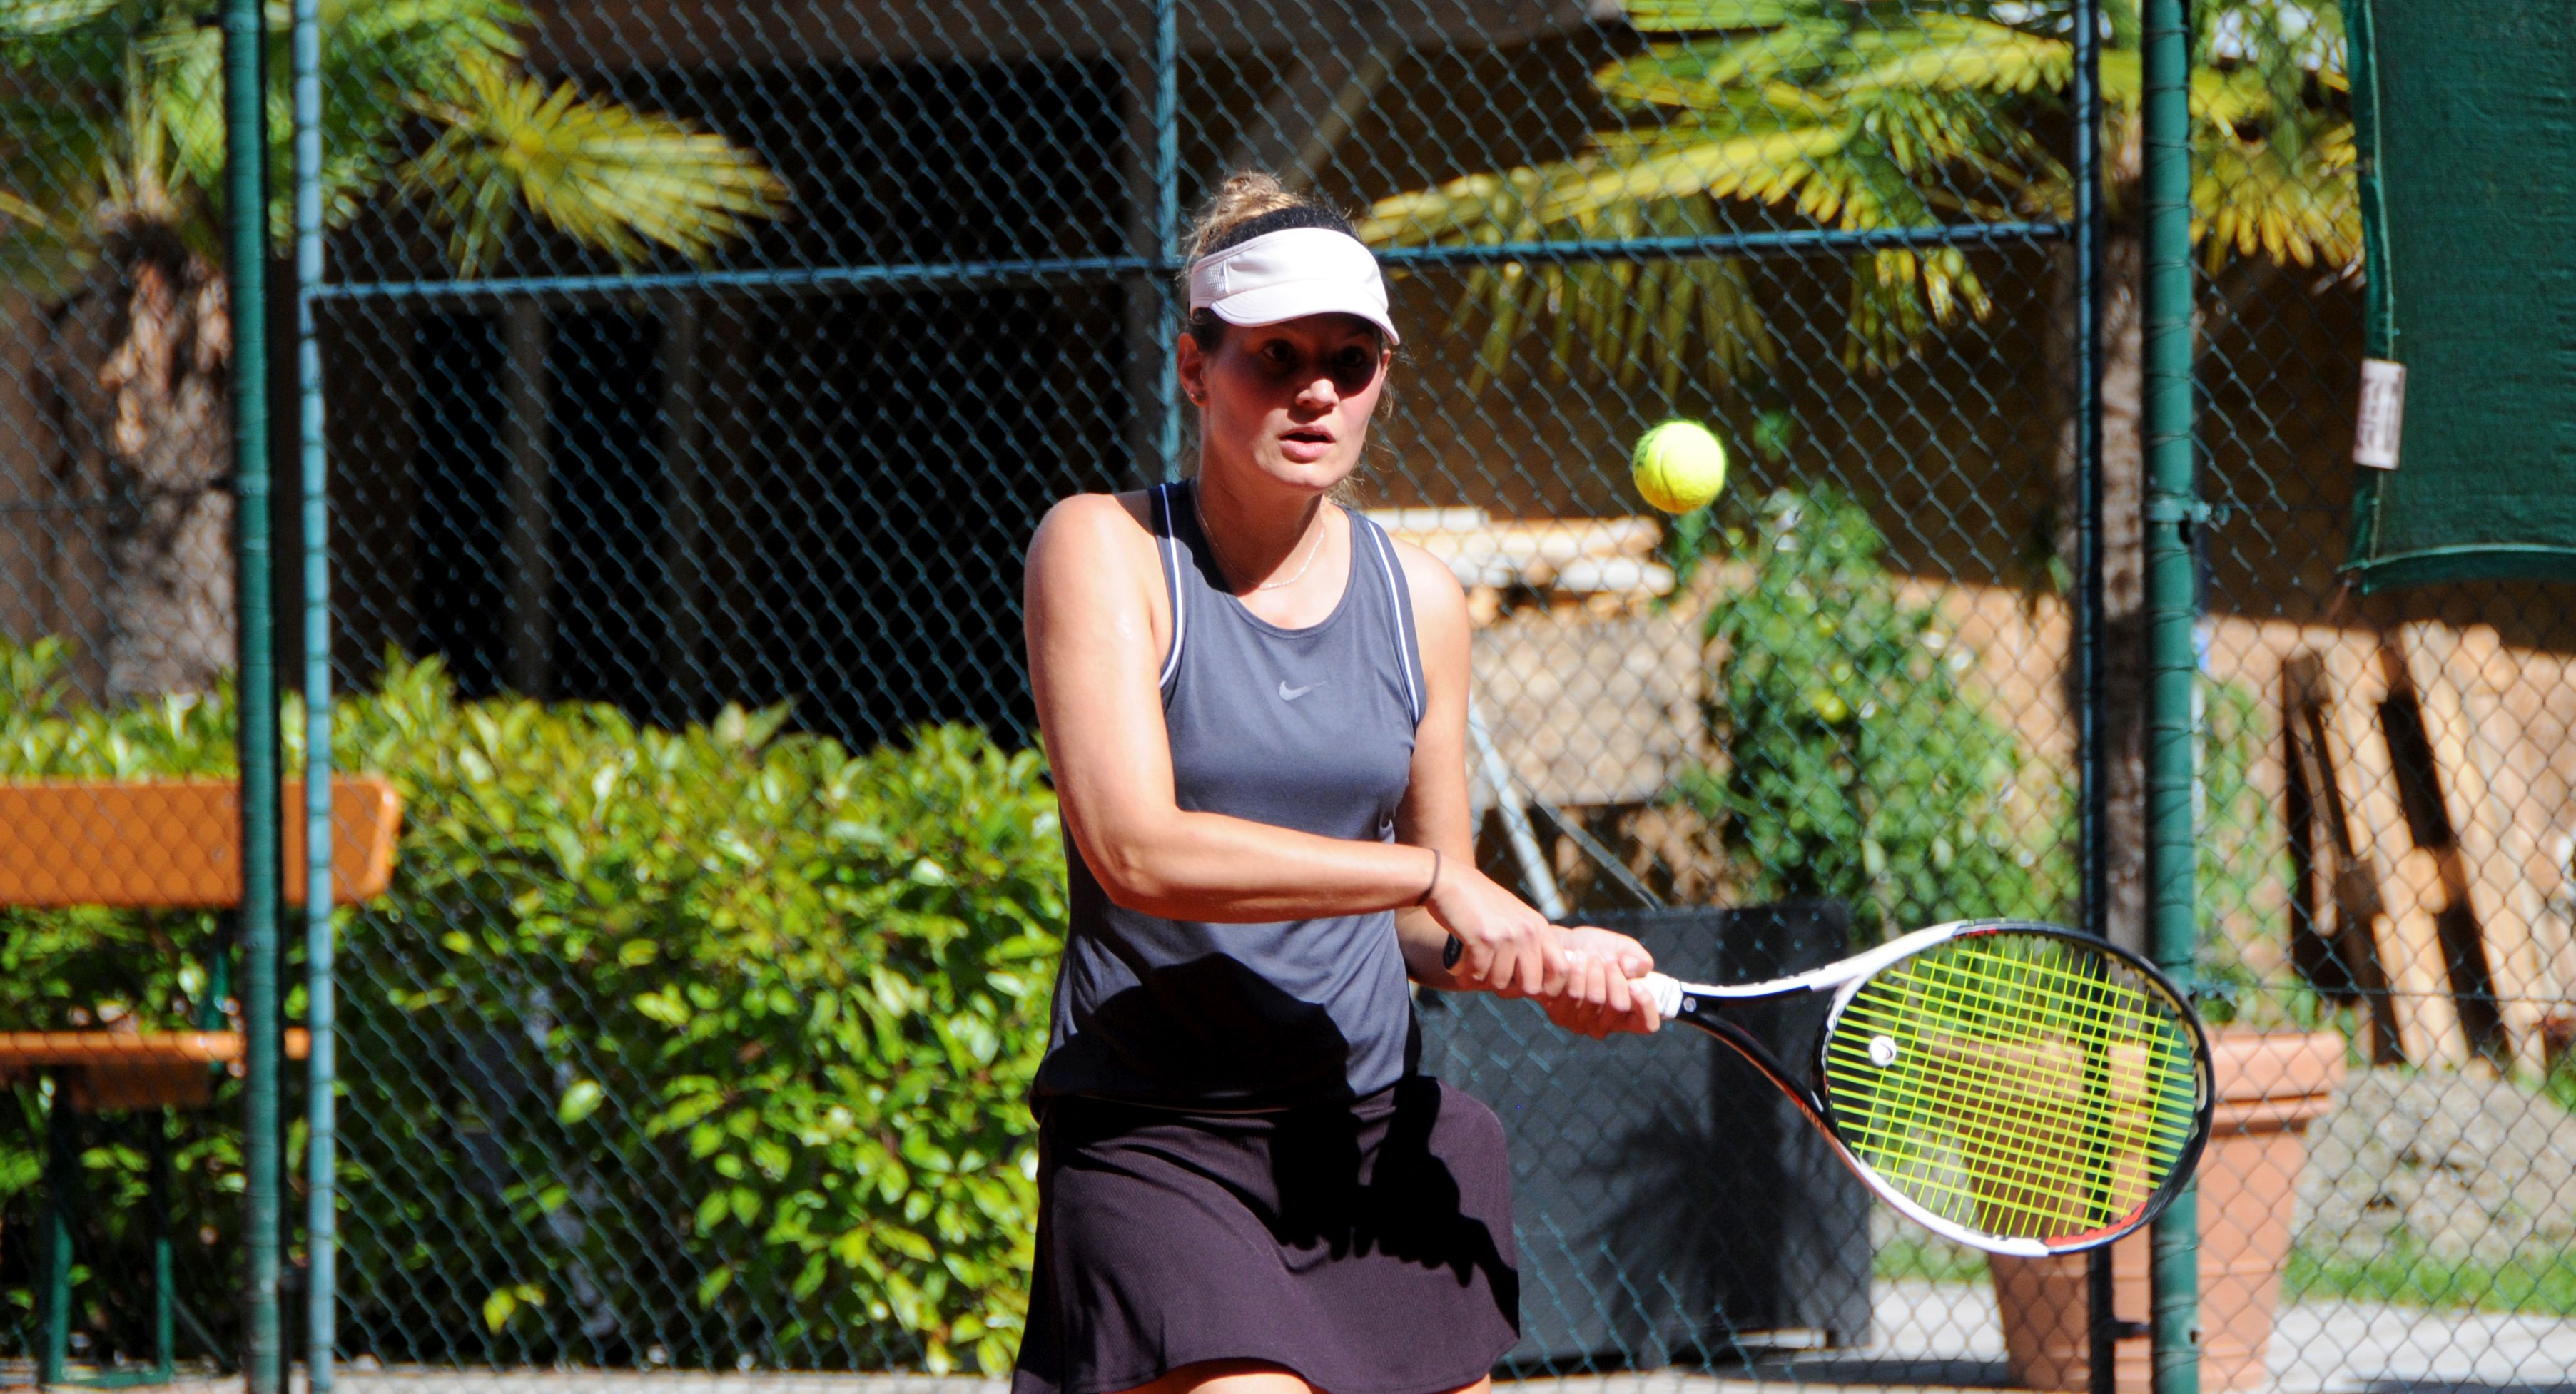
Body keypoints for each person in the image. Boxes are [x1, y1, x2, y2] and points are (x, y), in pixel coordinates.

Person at [1015, 171, 1663, 1394]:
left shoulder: (1421, 600)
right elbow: (1137, 850)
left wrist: (1536, 959)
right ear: (1194, 367)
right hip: (1160, 1140)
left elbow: (1424, 924)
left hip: (1373, 1139)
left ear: (1380, 380)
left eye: (1348, 362)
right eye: (1275, 356)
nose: (1314, 389)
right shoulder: (1103, 548)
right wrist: (1429, 875)